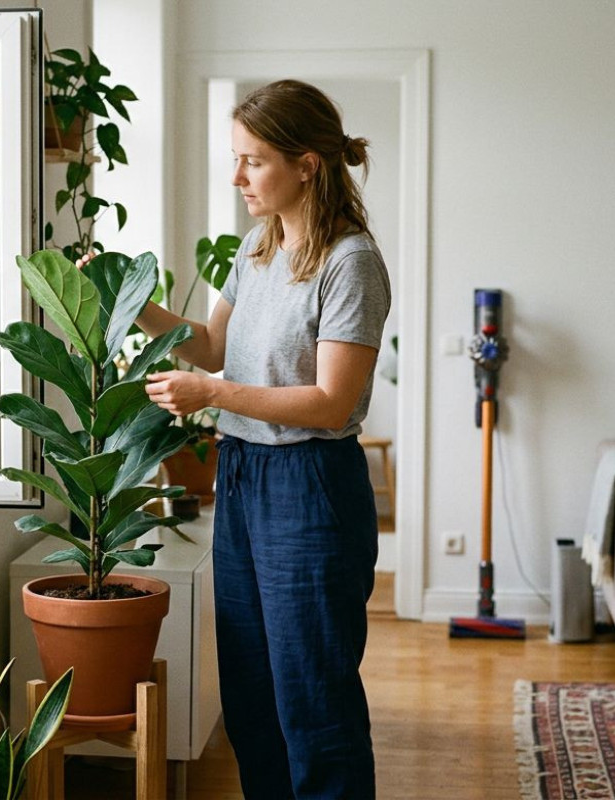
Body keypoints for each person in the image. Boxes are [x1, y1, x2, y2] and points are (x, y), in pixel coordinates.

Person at [132, 79, 391, 799]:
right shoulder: (256, 246)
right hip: (243, 476)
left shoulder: (350, 263)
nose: (237, 175)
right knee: (251, 693)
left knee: (313, 698)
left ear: (307, 164)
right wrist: (133, 303)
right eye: (236, 159)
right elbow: (212, 345)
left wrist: (212, 398)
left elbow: (330, 401)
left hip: (309, 486)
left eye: (253, 160)